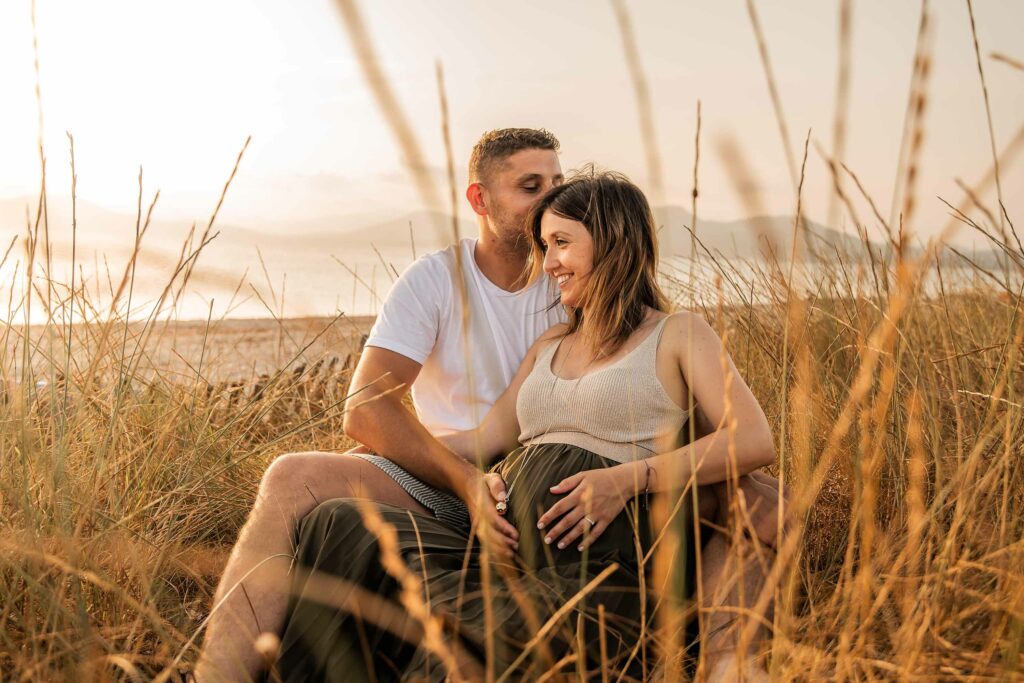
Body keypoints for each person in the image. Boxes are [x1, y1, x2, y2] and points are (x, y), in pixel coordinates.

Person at [273, 170, 780, 682]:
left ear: (615, 241)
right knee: (338, 521)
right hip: (507, 559)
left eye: (562, 243)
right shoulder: (551, 344)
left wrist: (627, 479)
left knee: (462, 648)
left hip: (596, 571)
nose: (549, 262)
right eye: (545, 245)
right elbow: (485, 440)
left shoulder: (677, 333)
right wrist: (381, 456)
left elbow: (754, 439)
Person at [194, 128, 567, 682]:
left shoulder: (575, 273)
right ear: (480, 200)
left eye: (559, 183)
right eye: (530, 186)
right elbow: (366, 407)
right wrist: (465, 480)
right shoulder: (437, 280)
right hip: (446, 479)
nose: (552, 200)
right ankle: (214, 679)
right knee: (293, 477)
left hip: (542, 482)